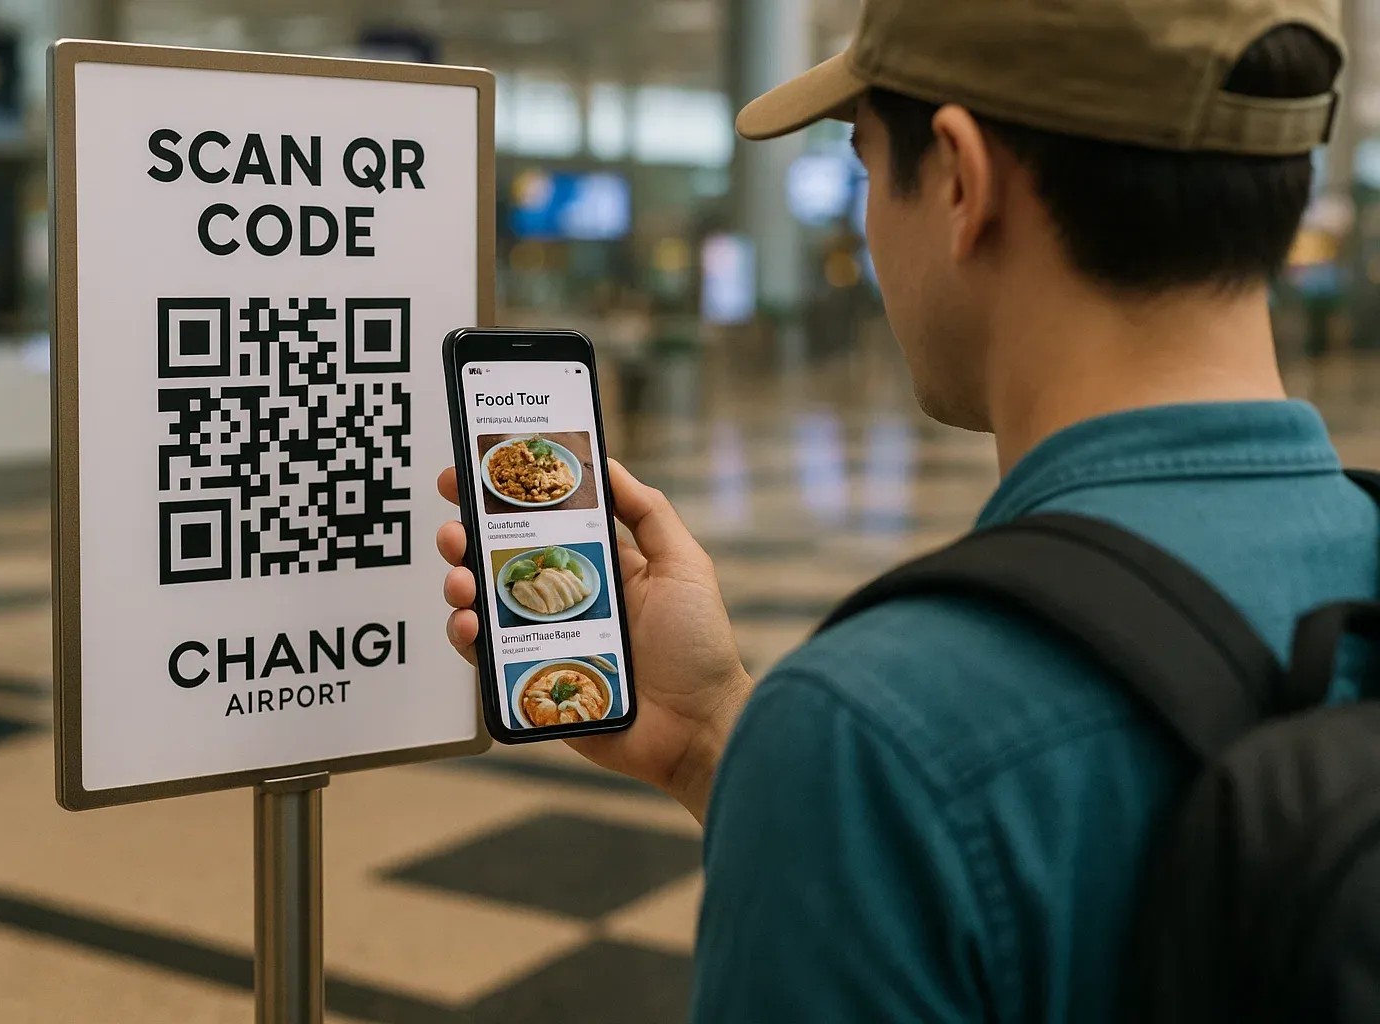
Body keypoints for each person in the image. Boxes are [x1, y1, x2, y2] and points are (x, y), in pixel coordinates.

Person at [437, 0, 1376, 1019]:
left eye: (867, 167)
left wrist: (811, 771)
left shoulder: (874, 732)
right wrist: (712, 737)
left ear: (962, 181)